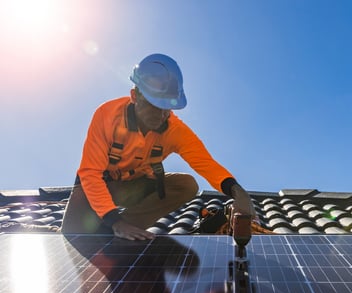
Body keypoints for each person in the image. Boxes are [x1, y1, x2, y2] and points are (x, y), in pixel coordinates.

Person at [61, 53, 255, 240]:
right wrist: (115, 220)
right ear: (135, 96)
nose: (162, 115)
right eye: (154, 105)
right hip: (96, 187)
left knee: (186, 185)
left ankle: (118, 230)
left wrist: (238, 192)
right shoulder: (106, 115)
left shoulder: (175, 130)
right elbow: (91, 173)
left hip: (135, 188)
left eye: (167, 107)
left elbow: (206, 164)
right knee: (73, 235)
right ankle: (115, 225)